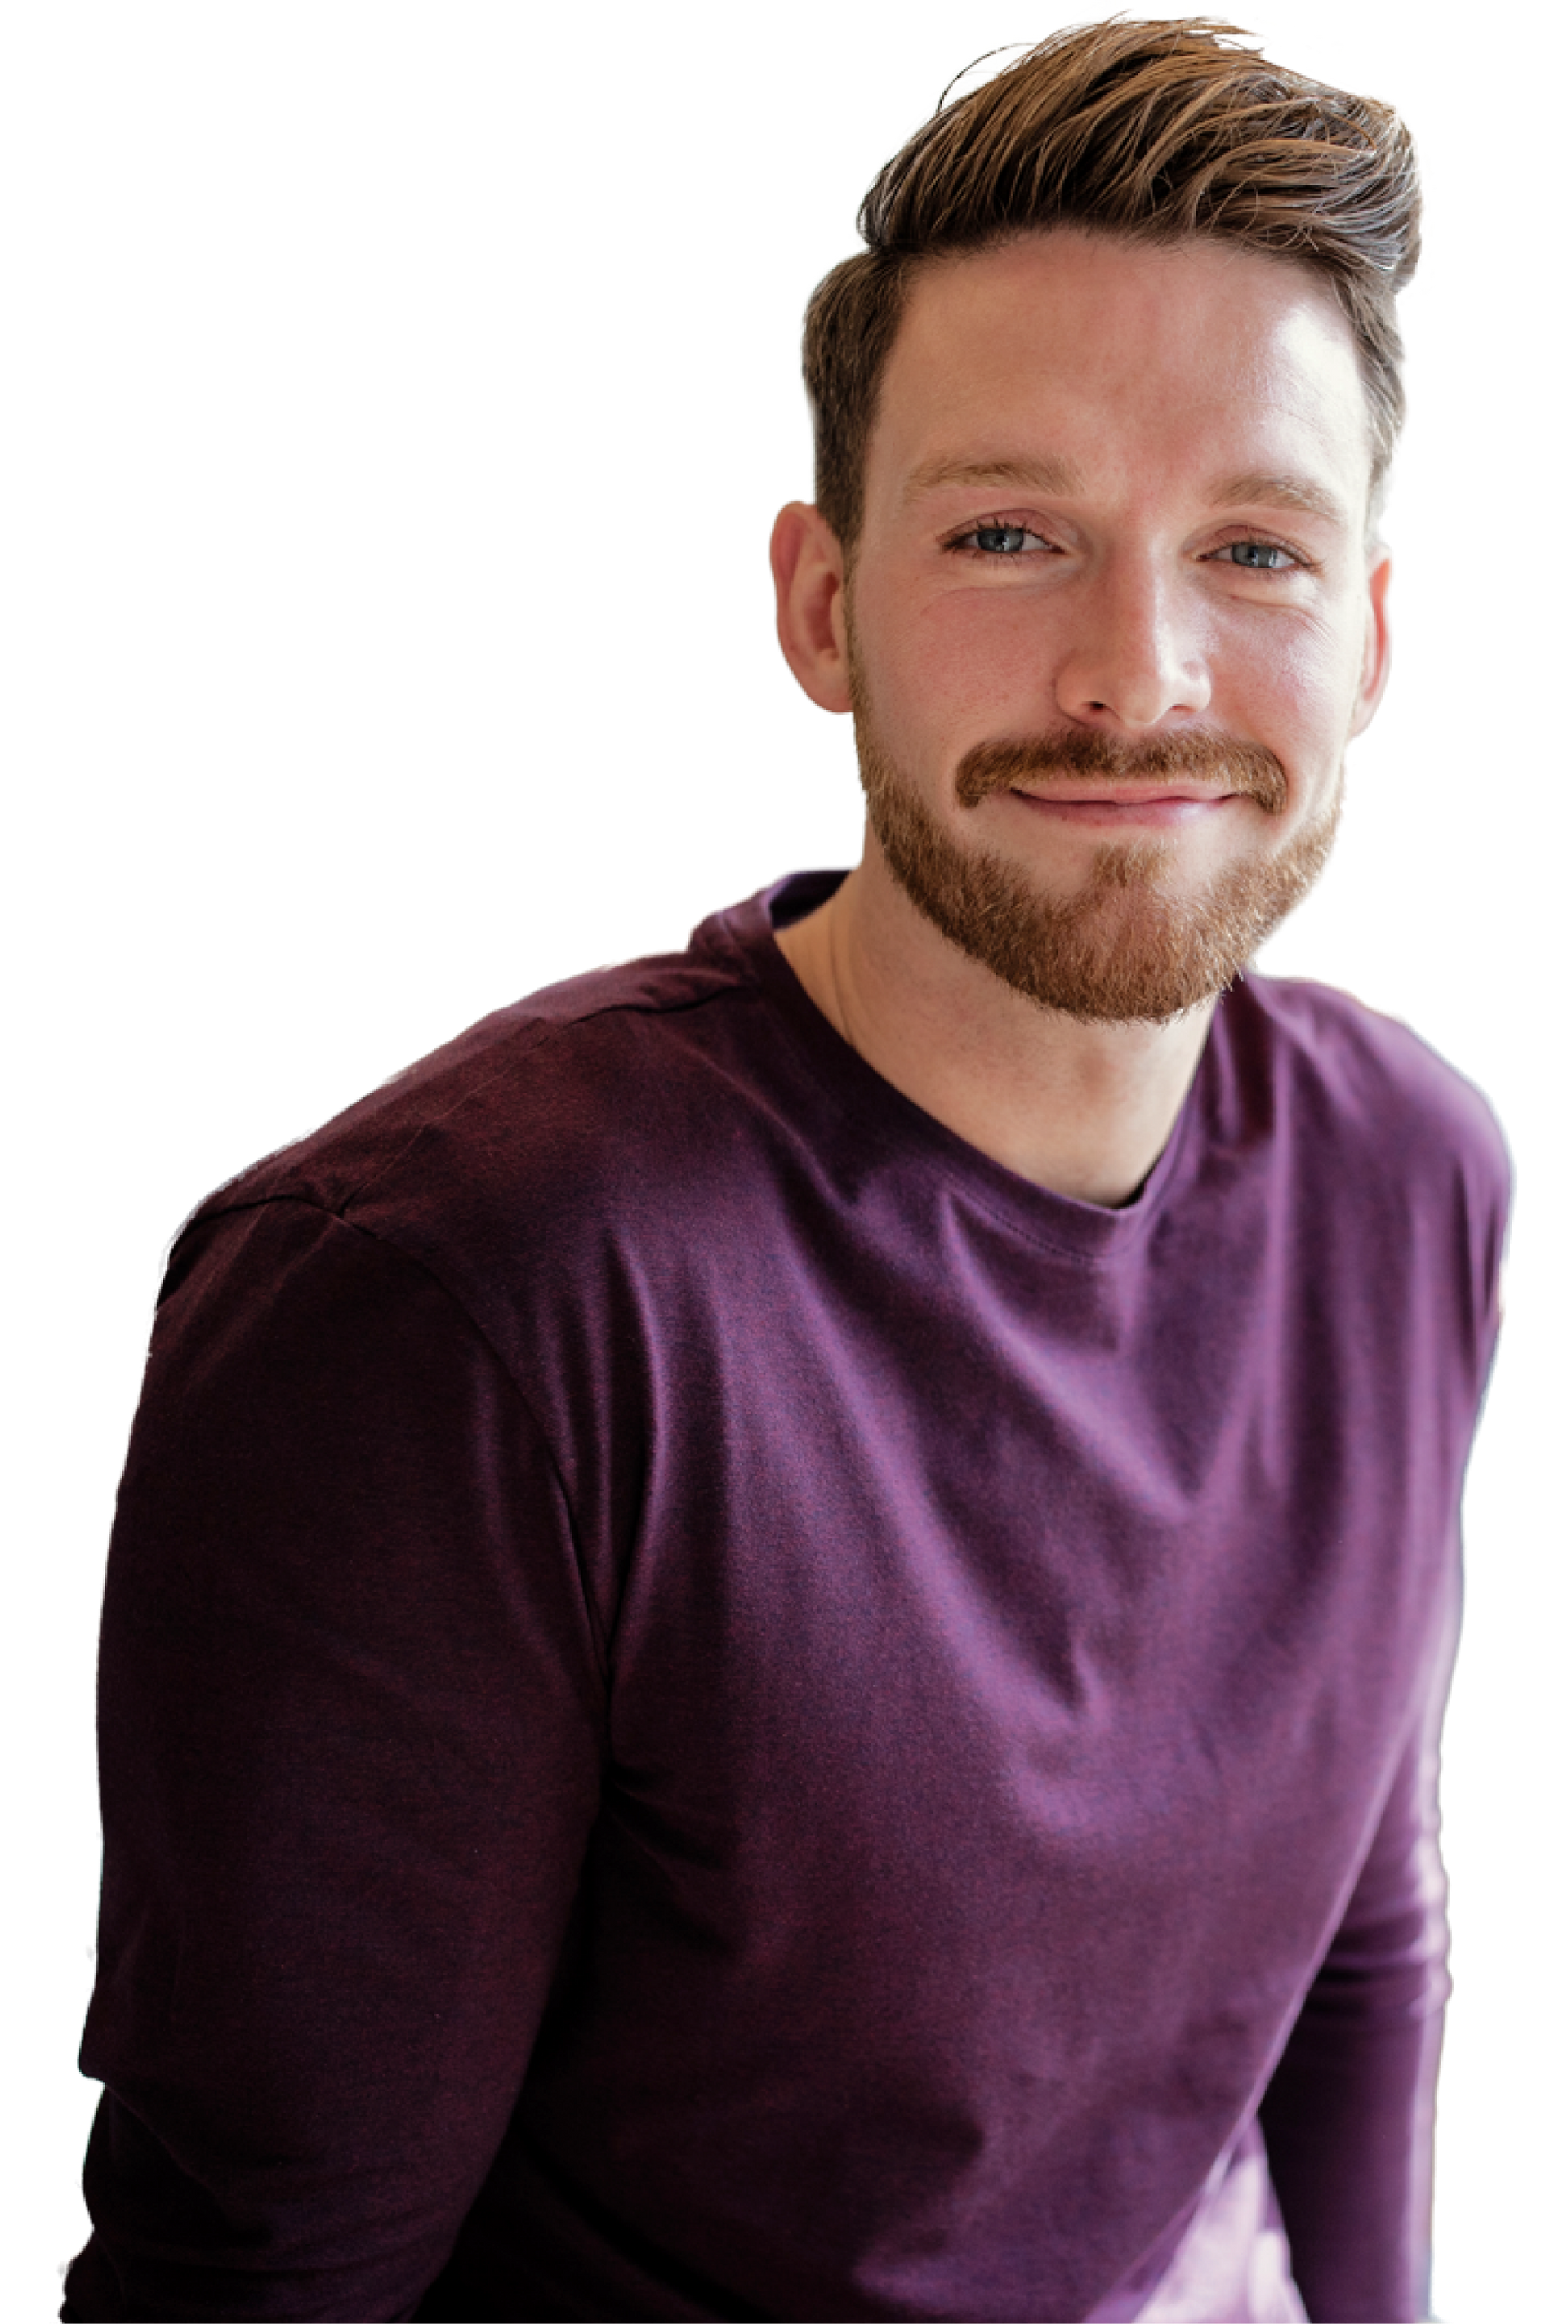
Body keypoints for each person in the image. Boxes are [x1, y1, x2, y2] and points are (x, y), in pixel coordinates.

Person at [61, 11, 1511, 2322]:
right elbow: (259, 2286)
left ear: (1372, 636)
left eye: (1253, 545)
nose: (1137, 677)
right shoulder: (451, 1302)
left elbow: (1356, 1930)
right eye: (1010, 532)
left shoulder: (1415, 1170)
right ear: (819, 605)